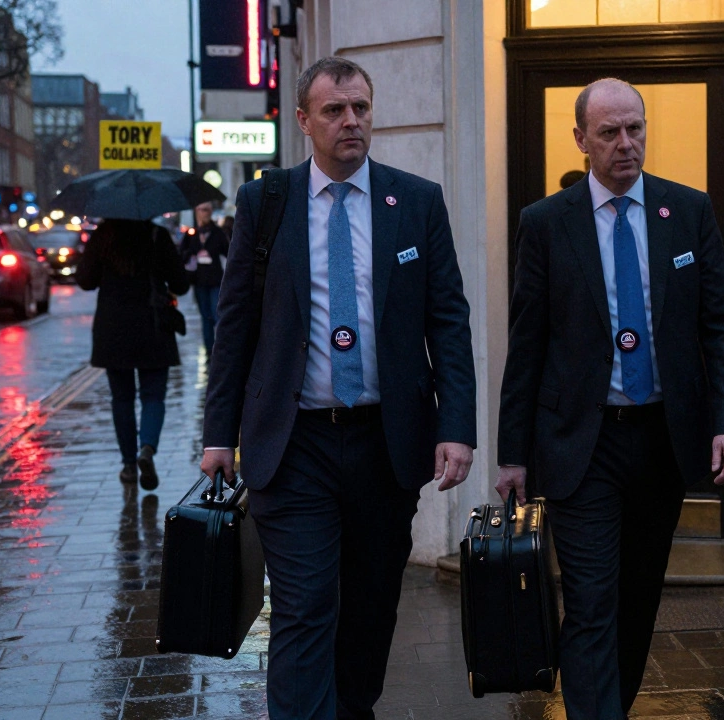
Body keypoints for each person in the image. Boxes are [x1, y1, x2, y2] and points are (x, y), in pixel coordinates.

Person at [200, 56, 476, 720]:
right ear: (304, 121)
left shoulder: (416, 202)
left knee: (371, 606)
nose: (351, 121)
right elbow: (233, 327)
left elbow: (450, 321)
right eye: (334, 110)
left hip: (386, 444)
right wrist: (217, 437)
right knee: (304, 606)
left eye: (360, 108)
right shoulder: (266, 204)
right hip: (293, 447)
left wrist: (456, 426)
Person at [497, 78, 724, 719]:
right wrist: (511, 454)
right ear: (581, 139)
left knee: (636, 601)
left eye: (634, 128)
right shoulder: (546, 224)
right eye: (609, 132)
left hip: (663, 438)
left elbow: (722, 325)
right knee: (590, 600)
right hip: (584, 442)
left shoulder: (687, 212)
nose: (625, 143)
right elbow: (525, 345)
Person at [76, 219, 190, 490]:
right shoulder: (156, 235)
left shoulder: (104, 235)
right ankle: (147, 448)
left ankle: (128, 464)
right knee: (153, 396)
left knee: (122, 399)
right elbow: (181, 284)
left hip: (113, 330)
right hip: (152, 327)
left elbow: (85, 280)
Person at [179, 201, 229, 353]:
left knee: (216, 314)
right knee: (205, 316)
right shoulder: (191, 234)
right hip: (199, 280)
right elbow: (182, 254)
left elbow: (229, 253)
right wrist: (193, 255)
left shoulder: (218, 233)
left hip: (214, 279)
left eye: (206, 210)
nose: (203, 213)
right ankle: (209, 348)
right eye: (200, 210)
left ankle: (220, 348)